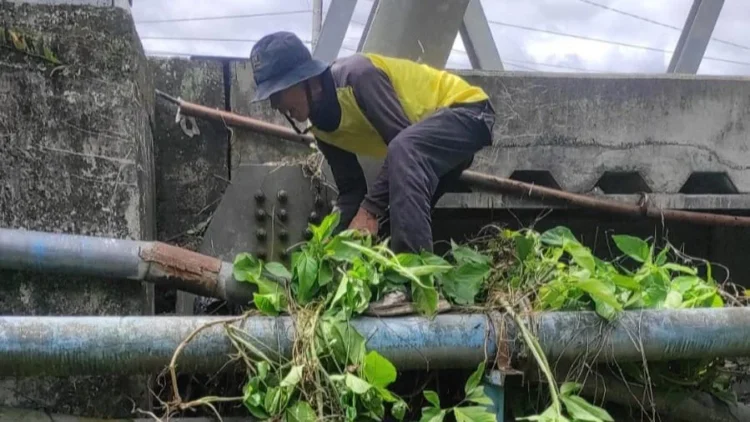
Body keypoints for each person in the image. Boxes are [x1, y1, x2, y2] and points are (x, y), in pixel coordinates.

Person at [249, 31, 496, 314]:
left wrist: (371, 209)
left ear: (305, 79)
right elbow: (352, 191)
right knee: (387, 220)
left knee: (398, 159)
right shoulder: (321, 128)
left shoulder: (357, 76)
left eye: (278, 93)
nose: (275, 105)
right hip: (424, 152)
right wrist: (328, 244)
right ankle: (404, 286)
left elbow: (402, 144)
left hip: (467, 112)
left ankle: (416, 288)